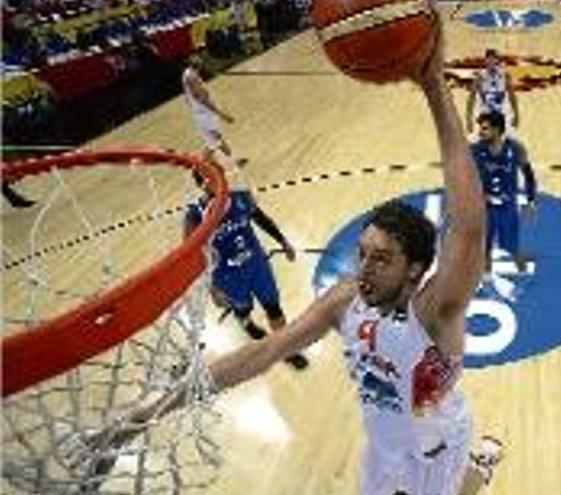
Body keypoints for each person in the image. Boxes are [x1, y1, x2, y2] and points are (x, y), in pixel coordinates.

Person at [86, 12, 503, 495]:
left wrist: (433, 84)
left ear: (415, 270)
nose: (363, 267)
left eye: (381, 259)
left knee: (460, 486)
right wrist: (144, 413)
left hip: (437, 450)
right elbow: (263, 352)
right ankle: (480, 468)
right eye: (362, 252)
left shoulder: (435, 311)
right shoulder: (346, 300)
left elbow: (469, 230)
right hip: (385, 453)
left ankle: (479, 469)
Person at [185, 171, 309, 369]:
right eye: (212, 179)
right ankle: (247, 323)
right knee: (243, 309)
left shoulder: (240, 197)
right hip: (227, 276)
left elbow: (261, 219)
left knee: (273, 307)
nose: (220, 181)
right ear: (202, 184)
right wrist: (212, 289)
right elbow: (193, 255)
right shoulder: (195, 215)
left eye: (220, 175)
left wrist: (282, 240)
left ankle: (286, 349)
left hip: (257, 265)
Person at [471, 111, 537, 274]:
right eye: (481, 128)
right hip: (485, 207)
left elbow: (529, 175)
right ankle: (486, 280)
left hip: (508, 208)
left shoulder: (516, 148)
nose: (480, 132)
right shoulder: (474, 150)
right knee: (484, 249)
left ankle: (522, 274)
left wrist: (530, 202)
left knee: (513, 248)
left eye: (485, 128)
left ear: (497, 130)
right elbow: (465, 177)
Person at [182, 54, 247, 169]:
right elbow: (202, 99)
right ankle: (199, 167)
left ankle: (234, 160)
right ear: (190, 60)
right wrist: (222, 114)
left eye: (198, 57)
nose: (198, 58)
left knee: (215, 141)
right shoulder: (191, 76)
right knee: (215, 142)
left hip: (202, 114)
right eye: (195, 57)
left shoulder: (188, 73)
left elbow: (190, 96)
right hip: (205, 115)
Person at [465, 48, 520, 135]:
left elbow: (512, 96)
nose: (491, 62)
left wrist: (516, 115)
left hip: (501, 115)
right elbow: (471, 99)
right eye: (489, 59)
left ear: (497, 61)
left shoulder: (504, 76)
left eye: (493, 59)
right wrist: (468, 119)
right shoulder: (479, 77)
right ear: (485, 61)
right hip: (485, 116)